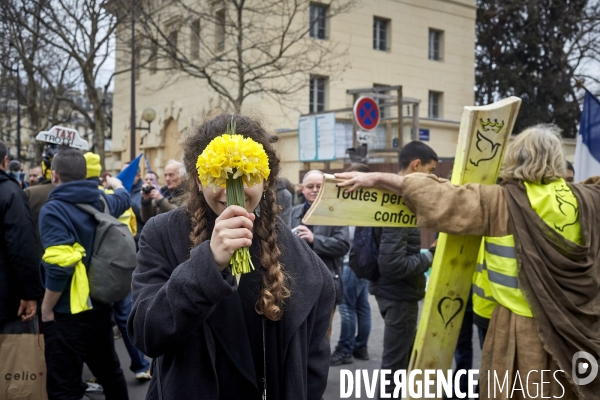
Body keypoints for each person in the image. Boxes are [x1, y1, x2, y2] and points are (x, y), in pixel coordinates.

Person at [336, 124, 600, 400]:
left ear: (515, 158)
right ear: (557, 160)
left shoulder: (502, 202)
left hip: (519, 328)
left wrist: (378, 177)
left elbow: (439, 195)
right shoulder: (589, 200)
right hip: (576, 328)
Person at [128, 114, 335, 399]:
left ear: (266, 180)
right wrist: (208, 264)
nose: (230, 189)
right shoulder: (163, 233)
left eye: (245, 175)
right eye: (217, 175)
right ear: (199, 181)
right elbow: (146, 334)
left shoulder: (297, 254)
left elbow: (313, 363)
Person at [39, 147, 131, 400]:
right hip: (101, 306)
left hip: (68, 312)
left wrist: (46, 309)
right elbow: (123, 199)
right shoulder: (101, 201)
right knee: (111, 374)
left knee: (63, 387)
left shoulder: (54, 209)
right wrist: (118, 184)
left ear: (55, 175)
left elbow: (60, 265)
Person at [83, 152, 151, 381]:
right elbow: (131, 225)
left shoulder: (96, 200)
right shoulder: (112, 198)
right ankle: (140, 365)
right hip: (121, 266)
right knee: (123, 317)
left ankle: (103, 372)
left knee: (103, 321)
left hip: (99, 270)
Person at [291, 170, 350, 338]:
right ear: (302, 189)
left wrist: (314, 239)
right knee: (299, 334)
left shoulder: (336, 212)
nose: (315, 190)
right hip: (297, 285)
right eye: (310, 186)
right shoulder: (293, 213)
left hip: (327, 284)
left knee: (322, 336)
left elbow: (344, 244)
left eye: (320, 186)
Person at [331, 163, 373, 366]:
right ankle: (361, 347)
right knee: (362, 306)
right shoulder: (371, 200)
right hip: (364, 262)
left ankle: (345, 350)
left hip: (351, 261)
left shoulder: (354, 199)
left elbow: (347, 236)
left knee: (348, 308)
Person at [0, 140, 43, 334]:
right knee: (13, 361)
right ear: (5, 161)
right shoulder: (10, 193)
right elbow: (22, 247)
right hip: (7, 302)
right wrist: (30, 294)